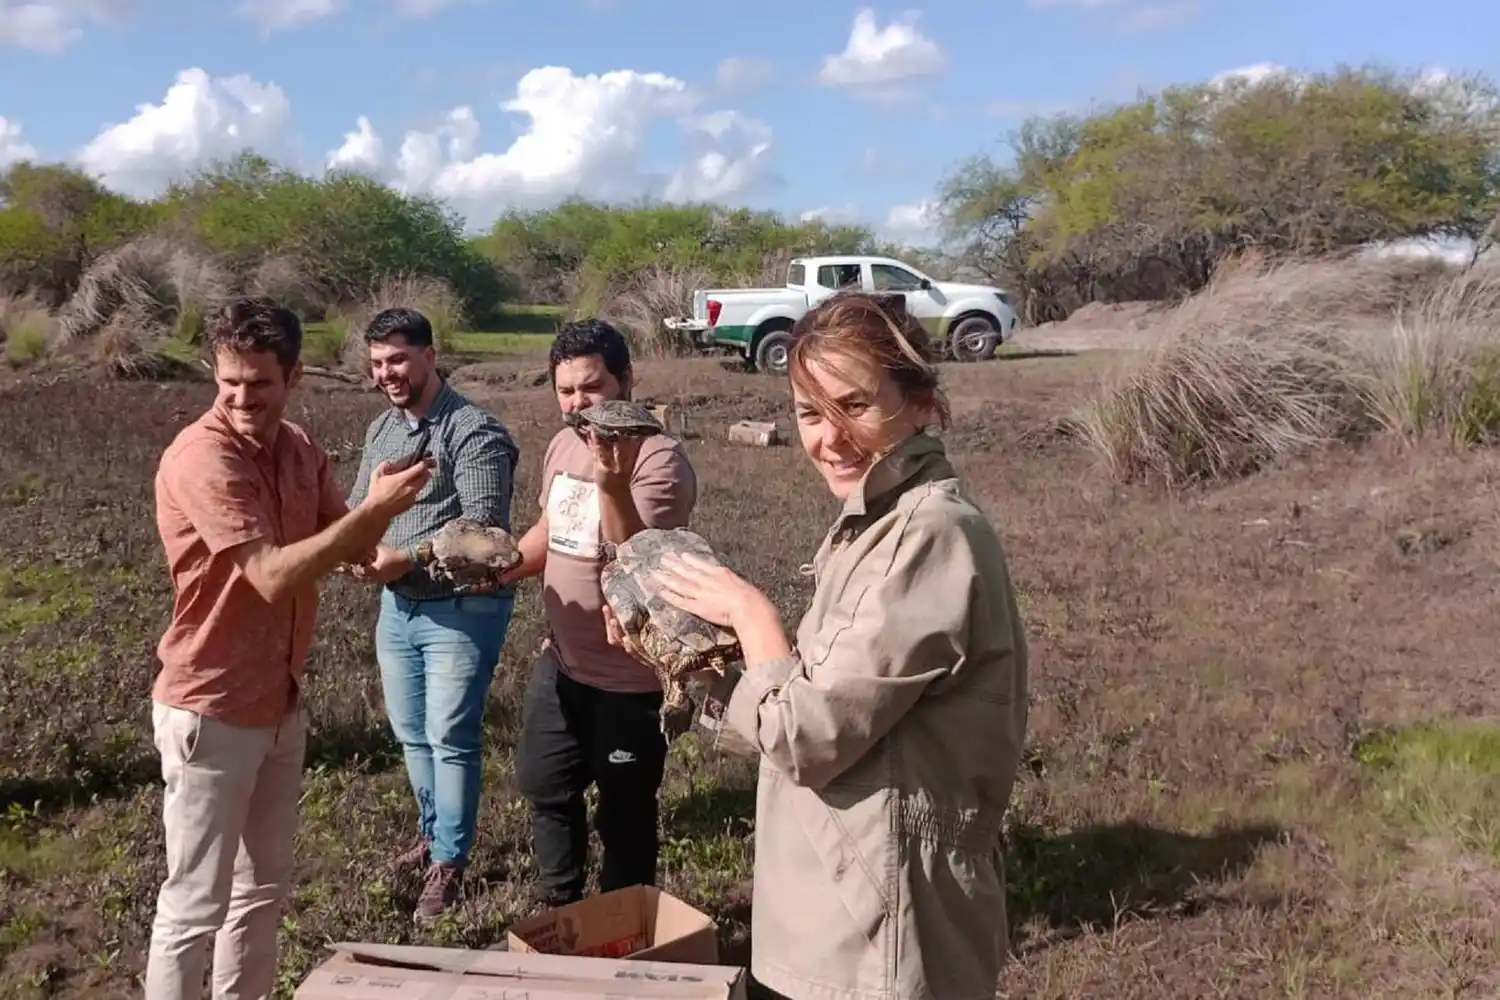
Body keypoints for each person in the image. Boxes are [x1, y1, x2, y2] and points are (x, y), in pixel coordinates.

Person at [605, 290, 1030, 1000]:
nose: (828, 438)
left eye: (854, 406)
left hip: (880, 941)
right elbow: (795, 719)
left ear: (919, 401)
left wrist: (750, 614)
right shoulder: (874, 523)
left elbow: (808, 736)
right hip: (822, 924)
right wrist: (678, 664)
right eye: (809, 413)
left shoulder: (932, 534)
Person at [147, 297, 433, 1000]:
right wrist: (374, 514)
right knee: (193, 906)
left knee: (262, 892)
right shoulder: (203, 457)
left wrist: (386, 548)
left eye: (259, 383)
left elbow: (344, 537)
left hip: (279, 701)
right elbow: (273, 575)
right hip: (211, 706)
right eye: (229, 382)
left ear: (294, 376)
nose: (243, 399)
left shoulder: (300, 447)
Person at [498, 317, 698, 908]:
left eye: (592, 388)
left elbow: (635, 555)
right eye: (566, 392)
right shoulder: (564, 444)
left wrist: (611, 479)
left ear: (626, 381)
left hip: (629, 680)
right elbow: (549, 530)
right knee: (546, 791)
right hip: (562, 663)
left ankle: (623, 930)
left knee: (626, 812)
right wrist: (499, 567)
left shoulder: (659, 461)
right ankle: (560, 915)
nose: (578, 404)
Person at [342, 306, 521, 922]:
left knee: (450, 736)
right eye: (375, 364)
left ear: (429, 355)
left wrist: (408, 555)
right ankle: (430, 832)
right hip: (399, 605)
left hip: (461, 608)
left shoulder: (473, 432)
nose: (386, 374)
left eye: (396, 360)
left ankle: (449, 860)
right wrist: (353, 546)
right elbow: (359, 504)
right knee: (411, 732)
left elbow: (489, 534)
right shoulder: (382, 431)